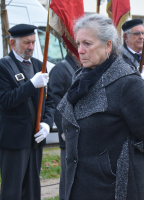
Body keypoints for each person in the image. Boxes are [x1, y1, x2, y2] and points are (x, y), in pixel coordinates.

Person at [57, 14, 144, 200]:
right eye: (78, 43)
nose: (80, 50)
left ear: (108, 46)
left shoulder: (127, 82)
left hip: (115, 185)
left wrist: (138, 163)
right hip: (79, 181)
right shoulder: (81, 77)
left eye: (87, 44)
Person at [0, 24, 55, 200]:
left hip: (35, 139)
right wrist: (31, 84)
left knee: (32, 191)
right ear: (12, 44)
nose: (31, 47)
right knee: (12, 191)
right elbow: (6, 101)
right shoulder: (3, 67)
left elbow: (50, 100)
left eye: (33, 42)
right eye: (26, 43)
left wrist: (47, 123)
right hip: (13, 141)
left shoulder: (40, 65)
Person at [49, 50, 80, 200]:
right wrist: (64, 131)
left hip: (85, 133)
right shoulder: (59, 70)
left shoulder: (88, 67)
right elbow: (55, 103)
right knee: (69, 180)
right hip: (68, 133)